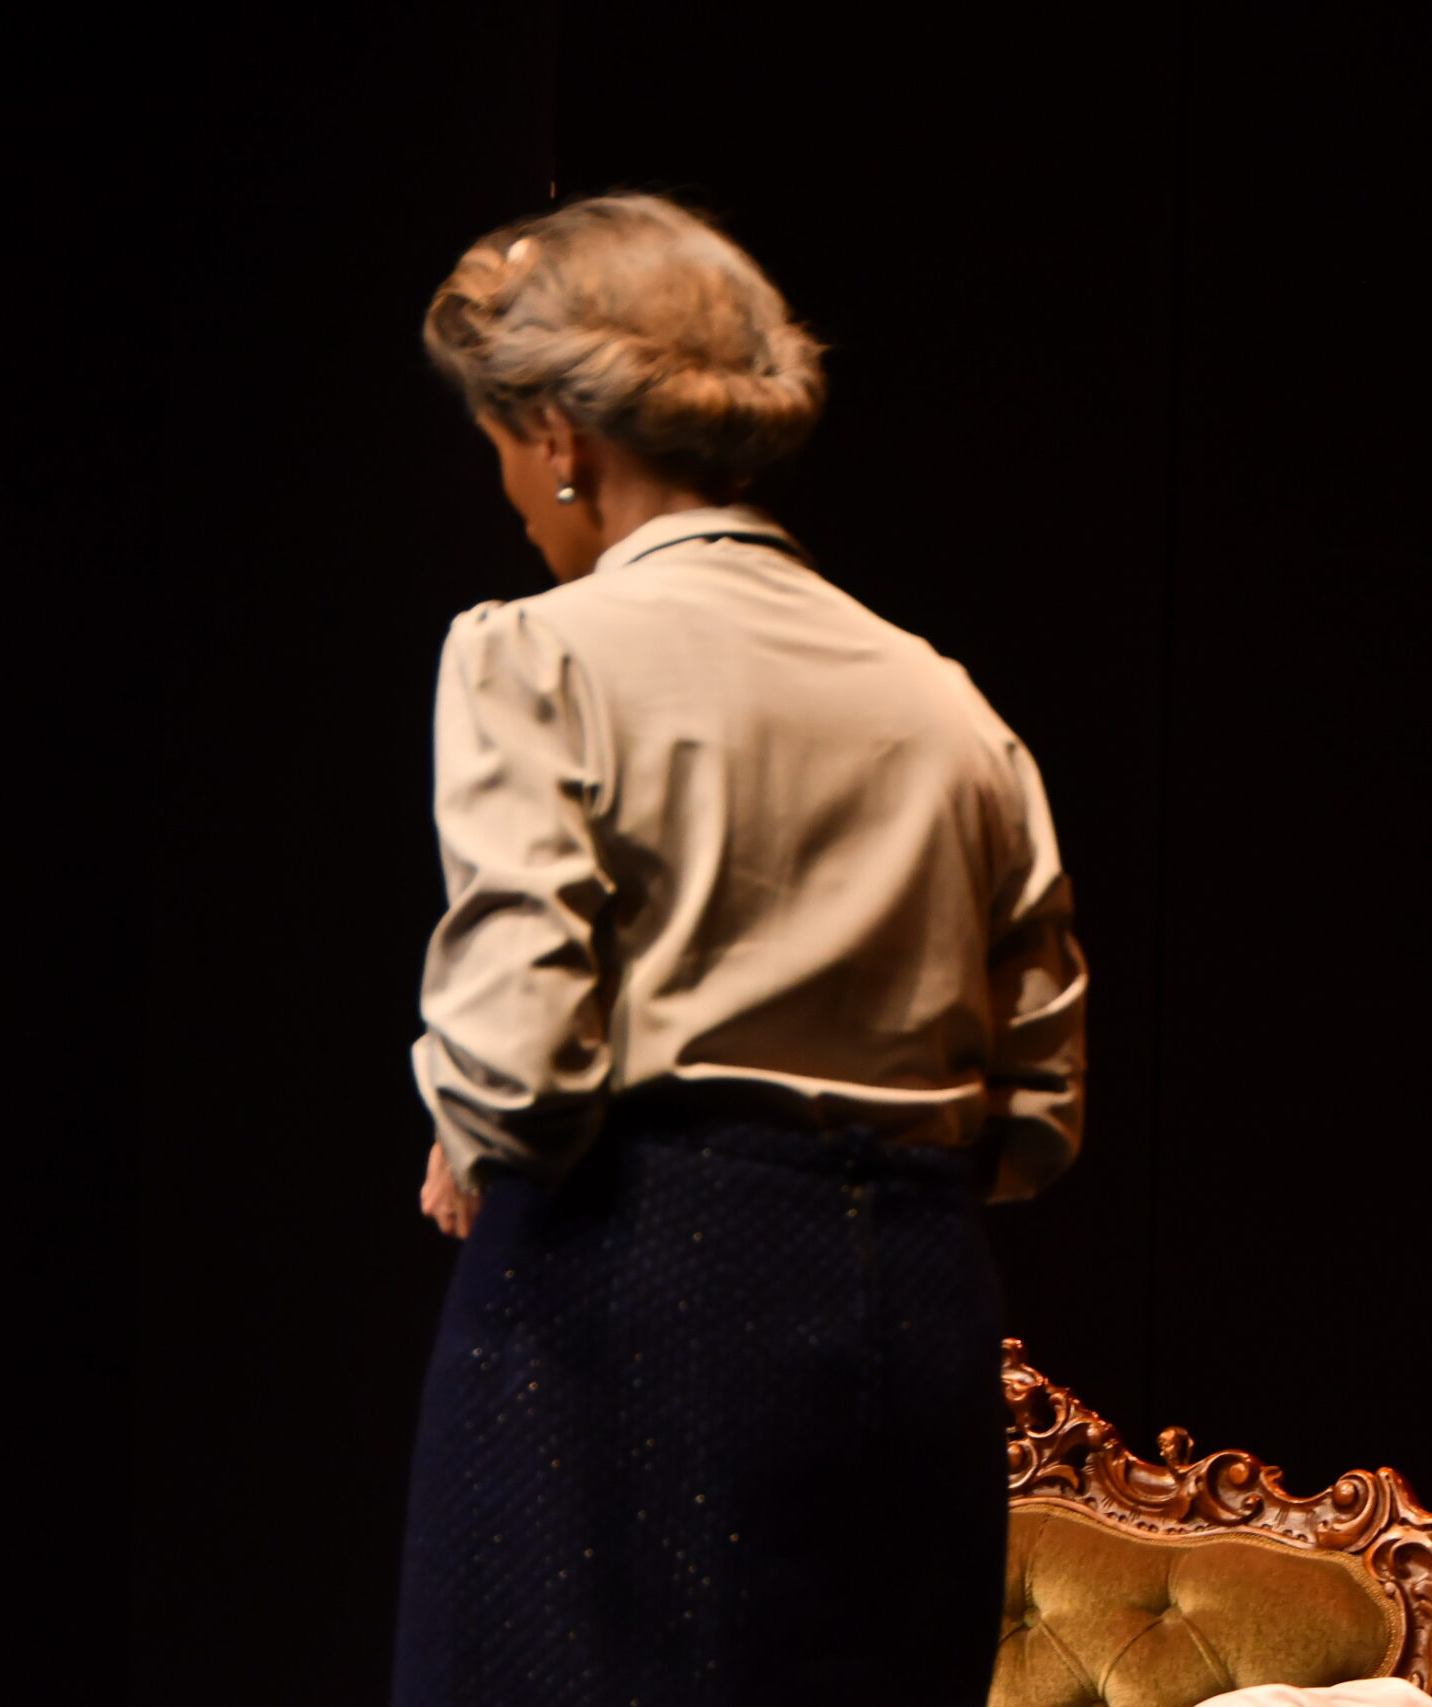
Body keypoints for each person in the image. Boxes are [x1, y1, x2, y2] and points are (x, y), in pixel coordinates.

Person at [392, 193, 1086, 1705]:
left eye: (500, 441)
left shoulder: (540, 652)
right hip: (915, 1317)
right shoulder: (944, 699)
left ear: (560, 435)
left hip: (635, 1287)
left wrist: (468, 1114)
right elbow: (1037, 1113)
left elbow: (518, 1071)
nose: (510, 488)